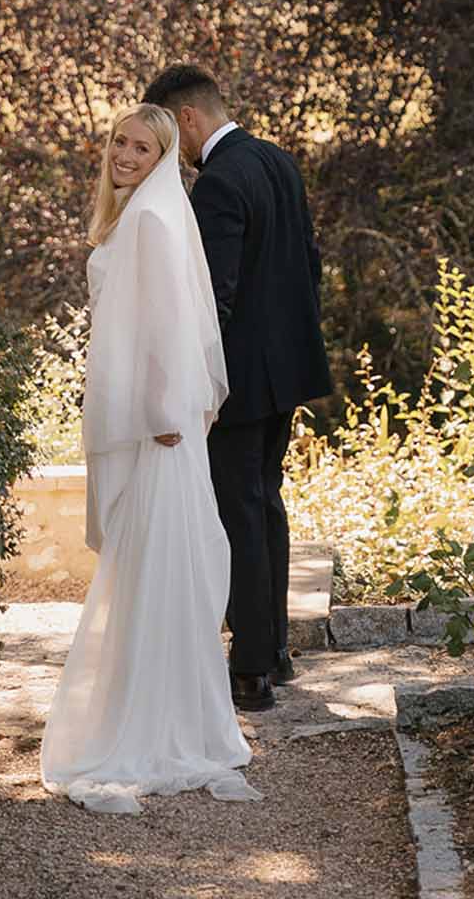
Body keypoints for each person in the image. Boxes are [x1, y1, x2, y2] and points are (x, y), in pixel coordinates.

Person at [39, 102, 259, 815]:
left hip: (158, 426)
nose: (124, 156)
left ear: (165, 156)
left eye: (141, 147)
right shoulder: (136, 215)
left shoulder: (158, 220)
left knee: (159, 569)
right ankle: (145, 711)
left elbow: (172, 325)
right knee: (141, 575)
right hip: (143, 416)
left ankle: (158, 727)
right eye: (118, 143)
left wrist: (166, 415)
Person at [142, 65, 333, 713]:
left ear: (188, 120)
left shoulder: (219, 184)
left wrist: (197, 386)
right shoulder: (278, 162)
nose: (175, 148)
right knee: (266, 504)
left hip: (242, 382)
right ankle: (274, 650)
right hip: (287, 372)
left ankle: (251, 669)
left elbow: (211, 300)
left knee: (239, 515)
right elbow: (309, 263)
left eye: (171, 131)